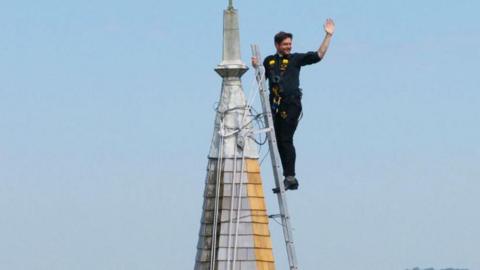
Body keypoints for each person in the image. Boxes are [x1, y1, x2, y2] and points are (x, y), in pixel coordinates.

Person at [252, 19, 335, 192]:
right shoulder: (269, 61)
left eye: (290, 44)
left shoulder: (296, 59)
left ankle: (291, 177)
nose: (288, 47)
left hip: (291, 104)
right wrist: (256, 67)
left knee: (285, 139)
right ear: (277, 45)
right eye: (285, 44)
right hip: (275, 106)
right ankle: (287, 177)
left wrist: (328, 35)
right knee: (278, 142)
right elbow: (261, 80)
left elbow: (319, 55)